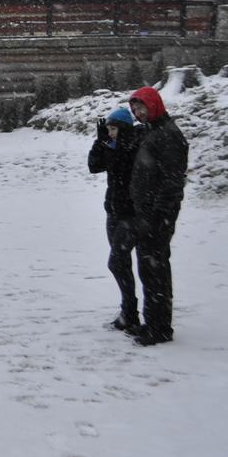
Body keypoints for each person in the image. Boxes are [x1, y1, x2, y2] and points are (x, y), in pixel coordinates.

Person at [127, 86, 188, 346]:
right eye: (134, 109)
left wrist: (158, 214)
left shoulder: (168, 134)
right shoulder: (152, 131)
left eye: (141, 107)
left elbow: (172, 181)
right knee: (148, 269)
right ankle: (152, 322)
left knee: (156, 270)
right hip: (147, 213)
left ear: (154, 105)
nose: (138, 113)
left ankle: (160, 328)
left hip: (157, 216)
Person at [87, 106, 140, 334]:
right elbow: (94, 166)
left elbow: (122, 165)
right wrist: (100, 143)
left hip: (131, 214)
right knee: (122, 263)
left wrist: (112, 147)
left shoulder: (134, 146)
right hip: (114, 211)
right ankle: (129, 313)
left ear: (124, 128)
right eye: (108, 128)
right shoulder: (112, 146)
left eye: (113, 128)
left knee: (117, 262)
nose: (110, 132)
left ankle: (131, 310)